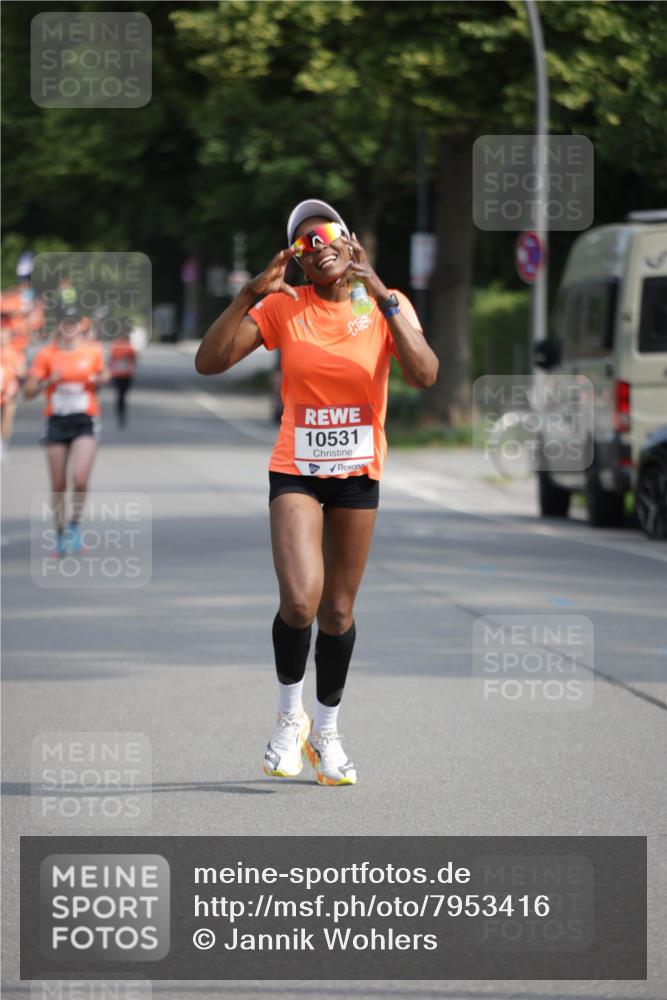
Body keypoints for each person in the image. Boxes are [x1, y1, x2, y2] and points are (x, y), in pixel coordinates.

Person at [195, 198, 438, 786]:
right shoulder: (284, 306)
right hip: (296, 468)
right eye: (303, 242)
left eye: (326, 233)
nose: (317, 245)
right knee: (301, 600)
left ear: (349, 241)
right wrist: (249, 294)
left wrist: (381, 293)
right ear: (296, 260)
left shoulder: (387, 305)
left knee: (337, 611)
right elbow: (209, 362)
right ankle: (289, 720)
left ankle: (327, 732)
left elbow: (425, 374)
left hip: (359, 473)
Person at [23, 304, 111, 556]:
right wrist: (47, 381)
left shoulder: (92, 350)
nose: (69, 326)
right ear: (59, 325)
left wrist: (100, 379)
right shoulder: (46, 355)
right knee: (59, 483)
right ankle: (60, 533)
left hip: (85, 419)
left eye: (74, 322)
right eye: (65, 322)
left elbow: (105, 374)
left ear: (80, 325)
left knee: (80, 479)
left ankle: (74, 526)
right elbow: (27, 392)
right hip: (56, 421)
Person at [0, 321, 26, 463]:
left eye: (4, 337)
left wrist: (17, 370)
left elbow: (22, 372)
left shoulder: (14, 353)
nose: (1, 340)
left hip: (9, 391)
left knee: (7, 420)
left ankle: (3, 445)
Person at [109, 322, 138, 427]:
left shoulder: (129, 347)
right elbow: (112, 359)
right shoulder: (117, 345)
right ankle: (120, 414)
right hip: (118, 375)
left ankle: (121, 413)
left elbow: (134, 360)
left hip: (126, 375)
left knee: (122, 396)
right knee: (120, 396)